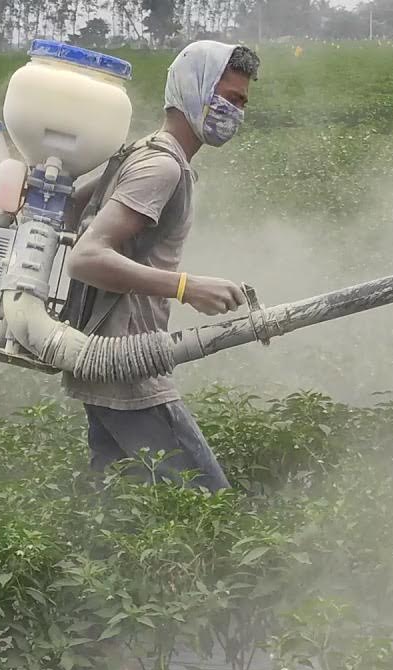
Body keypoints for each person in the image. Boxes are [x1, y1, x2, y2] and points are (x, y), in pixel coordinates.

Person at [60, 41, 260, 493]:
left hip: (102, 365)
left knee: (121, 509)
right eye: (227, 97)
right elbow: (87, 257)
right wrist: (186, 286)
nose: (236, 111)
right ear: (194, 88)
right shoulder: (159, 168)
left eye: (243, 102)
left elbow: (74, 212)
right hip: (127, 368)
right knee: (207, 504)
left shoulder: (141, 153)